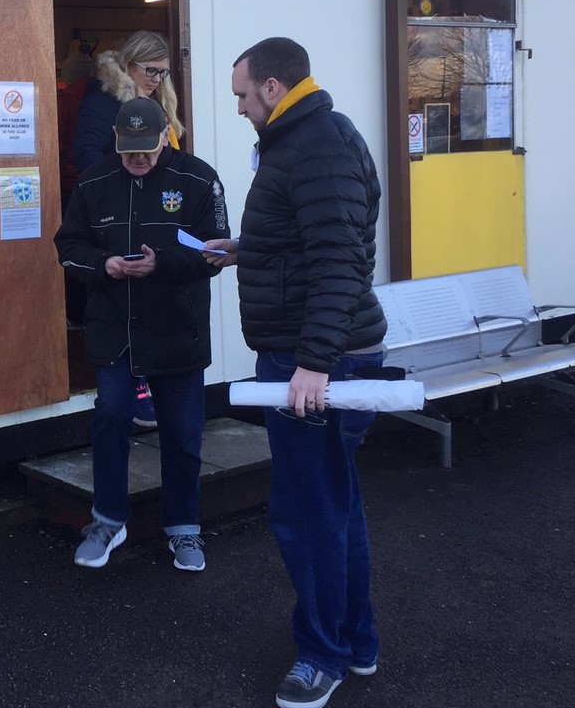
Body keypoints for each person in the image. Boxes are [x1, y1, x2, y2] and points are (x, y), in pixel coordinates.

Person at [201, 37, 388, 708]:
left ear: (274, 87)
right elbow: (308, 242)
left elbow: (340, 261)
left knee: (308, 513)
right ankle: (355, 643)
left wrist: (312, 363)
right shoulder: (305, 141)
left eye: (243, 95)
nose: (241, 107)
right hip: (318, 352)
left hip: (316, 361)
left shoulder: (315, 145)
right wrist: (243, 249)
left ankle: (322, 656)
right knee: (335, 506)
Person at [55, 97, 229, 571]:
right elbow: (68, 246)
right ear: (115, 139)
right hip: (115, 326)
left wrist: (162, 264)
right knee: (111, 414)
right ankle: (108, 520)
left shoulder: (197, 178)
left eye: (147, 151)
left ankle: (184, 528)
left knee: (183, 429)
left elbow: (214, 252)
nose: (138, 160)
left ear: (164, 138)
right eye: (129, 150)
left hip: (178, 325)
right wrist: (102, 264)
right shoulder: (94, 181)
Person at [69, 29, 186, 426]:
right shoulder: (106, 101)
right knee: (125, 298)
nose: (157, 79)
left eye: (164, 73)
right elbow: (85, 153)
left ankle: (151, 379)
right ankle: (134, 386)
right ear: (130, 64)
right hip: (123, 210)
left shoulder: (156, 101)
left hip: (159, 208)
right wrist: (120, 190)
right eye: (151, 70)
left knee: (155, 296)